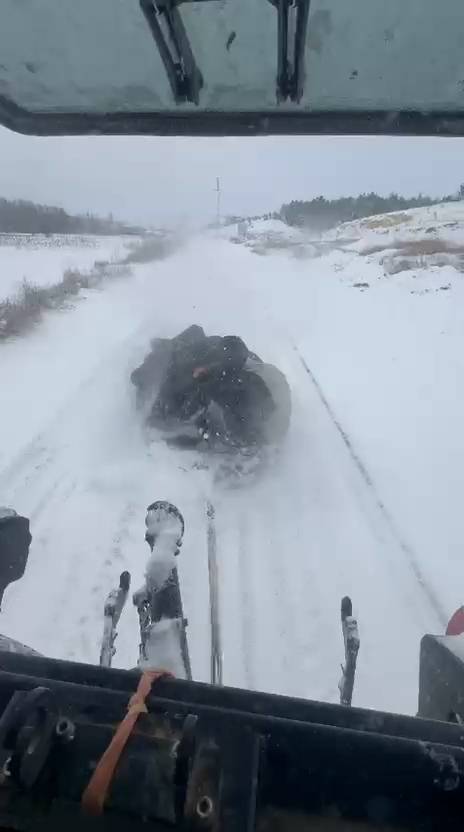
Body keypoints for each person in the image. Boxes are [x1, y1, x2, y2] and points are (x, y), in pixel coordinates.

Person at [131, 326, 291, 451]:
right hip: (236, 432)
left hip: (230, 432)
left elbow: (192, 407)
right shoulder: (246, 377)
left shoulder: (223, 381)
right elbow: (269, 407)